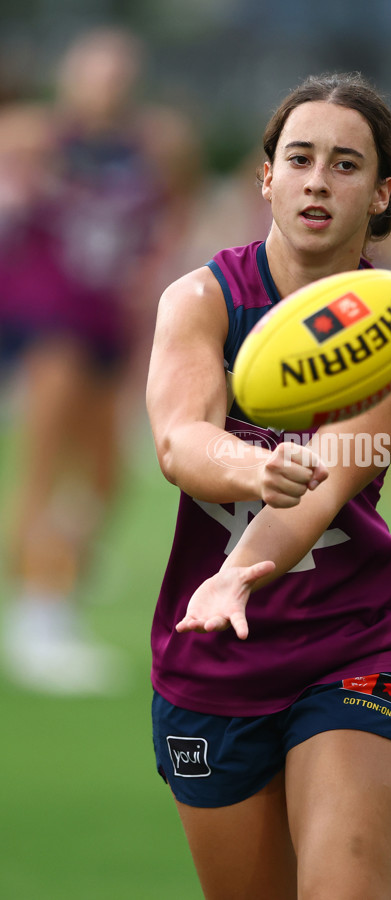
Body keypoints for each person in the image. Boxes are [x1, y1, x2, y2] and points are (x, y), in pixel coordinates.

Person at [146, 73, 391, 899]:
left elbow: (324, 492)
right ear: (267, 176)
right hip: (214, 655)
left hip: (357, 637)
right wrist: (255, 465)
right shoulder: (201, 300)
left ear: (383, 190)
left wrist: (241, 569)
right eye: (300, 158)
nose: (319, 180)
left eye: (346, 165)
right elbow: (180, 441)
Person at [0, 27, 197, 694]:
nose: (105, 84)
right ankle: (38, 619)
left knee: (108, 477)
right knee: (47, 467)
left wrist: (152, 270)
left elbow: (174, 206)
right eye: (94, 71)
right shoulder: (36, 137)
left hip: (110, 321)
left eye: (117, 72)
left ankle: (47, 581)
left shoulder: (151, 145)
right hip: (49, 317)